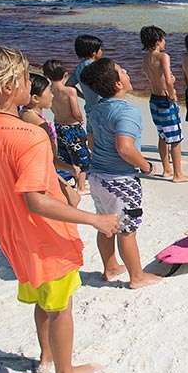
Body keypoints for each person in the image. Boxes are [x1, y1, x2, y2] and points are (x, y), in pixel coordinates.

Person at [0, 45, 119, 373]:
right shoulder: (30, 135)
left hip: (14, 238)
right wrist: (93, 220)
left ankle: (46, 357)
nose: (31, 81)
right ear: (6, 86)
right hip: (47, 237)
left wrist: (58, 184)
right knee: (62, 308)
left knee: (44, 301)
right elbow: (36, 202)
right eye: (25, 77)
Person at [81, 57, 163, 288]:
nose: (126, 71)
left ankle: (110, 268)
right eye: (121, 70)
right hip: (120, 179)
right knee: (127, 230)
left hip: (97, 176)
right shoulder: (127, 111)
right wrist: (146, 166)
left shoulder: (95, 109)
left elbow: (91, 140)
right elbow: (125, 148)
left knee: (106, 225)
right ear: (118, 84)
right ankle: (137, 277)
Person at [141, 25, 188, 182]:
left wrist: (167, 81)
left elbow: (153, 77)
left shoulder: (145, 58)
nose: (165, 42)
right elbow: (168, 80)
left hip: (154, 99)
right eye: (163, 39)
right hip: (165, 100)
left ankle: (167, 169)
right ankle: (178, 174)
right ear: (158, 41)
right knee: (175, 139)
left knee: (162, 135)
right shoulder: (163, 56)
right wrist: (172, 94)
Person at [44, 59, 91, 193]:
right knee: (82, 157)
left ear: (46, 76)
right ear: (65, 74)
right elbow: (75, 110)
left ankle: (75, 181)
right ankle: (81, 186)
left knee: (67, 155)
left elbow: (52, 108)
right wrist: (80, 119)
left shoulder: (49, 90)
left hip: (59, 125)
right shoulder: (69, 91)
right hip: (72, 127)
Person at [67, 35, 105, 149]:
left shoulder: (79, 67)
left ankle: (93, 156)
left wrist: (84, 96)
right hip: (102, 106)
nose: (102, 51)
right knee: (105, 133)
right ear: (94, 52)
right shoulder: (97, 67)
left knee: (91, 133)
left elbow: (69, 85)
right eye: (100, 49)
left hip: (89, 106)